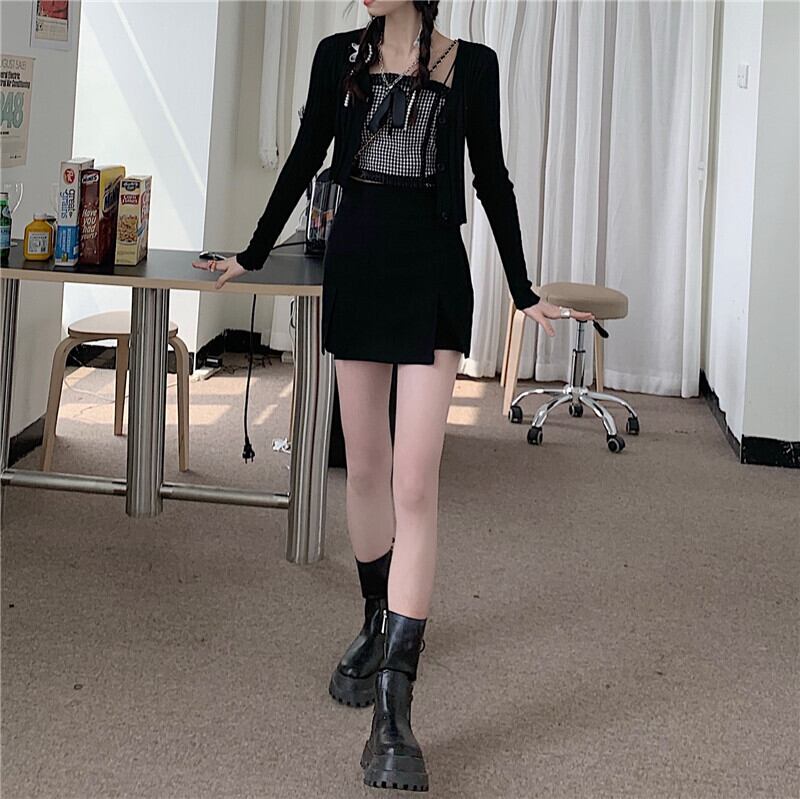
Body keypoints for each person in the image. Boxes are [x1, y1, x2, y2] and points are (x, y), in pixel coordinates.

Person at [193, 0, 592, 792]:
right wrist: (254, 251)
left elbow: (492, 178)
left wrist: (522, 289)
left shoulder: (472, 66)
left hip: (433, 276)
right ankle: (376, 619)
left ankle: (394, 707)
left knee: (414, 481)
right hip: (359, 268)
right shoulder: (336, 55)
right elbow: (306, 154)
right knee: (367, 467)